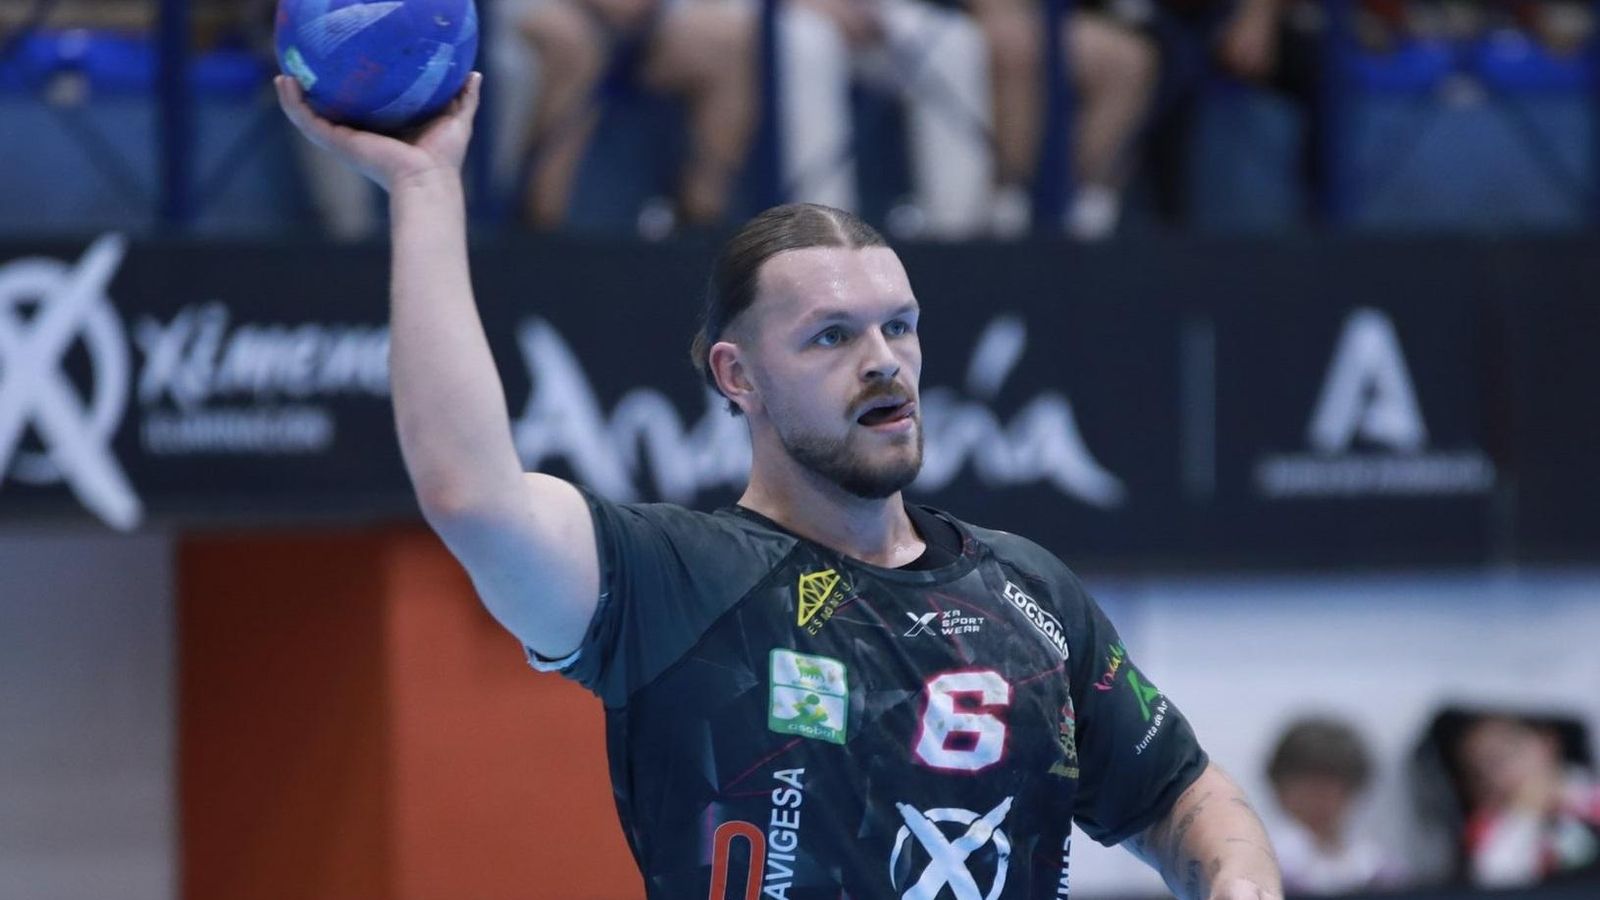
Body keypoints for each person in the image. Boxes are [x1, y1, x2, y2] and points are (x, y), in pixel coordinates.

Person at [274, 70, 1285, 899]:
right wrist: (425, 189)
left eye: (899, 326)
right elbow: (470, 494)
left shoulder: (1030, 590)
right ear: (737, 376)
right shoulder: (675, 582)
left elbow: (1180, 796)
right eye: (831, 337)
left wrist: (1237, 882)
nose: (883, 360)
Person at [1451, 713, 1600, 888]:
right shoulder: (1487, 826)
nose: (1508, 768)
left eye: (1512, 751)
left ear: (1548, 742)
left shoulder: (1591, 794)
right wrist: (1524, 815)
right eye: (1489, 766)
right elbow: (1494, 880)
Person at [1262, 716, 1405, 894]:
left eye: (1330, 788)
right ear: (1280, 790)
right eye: (1308, 788)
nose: (1317, 800)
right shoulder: (1259, 866)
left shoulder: (1380, 870)